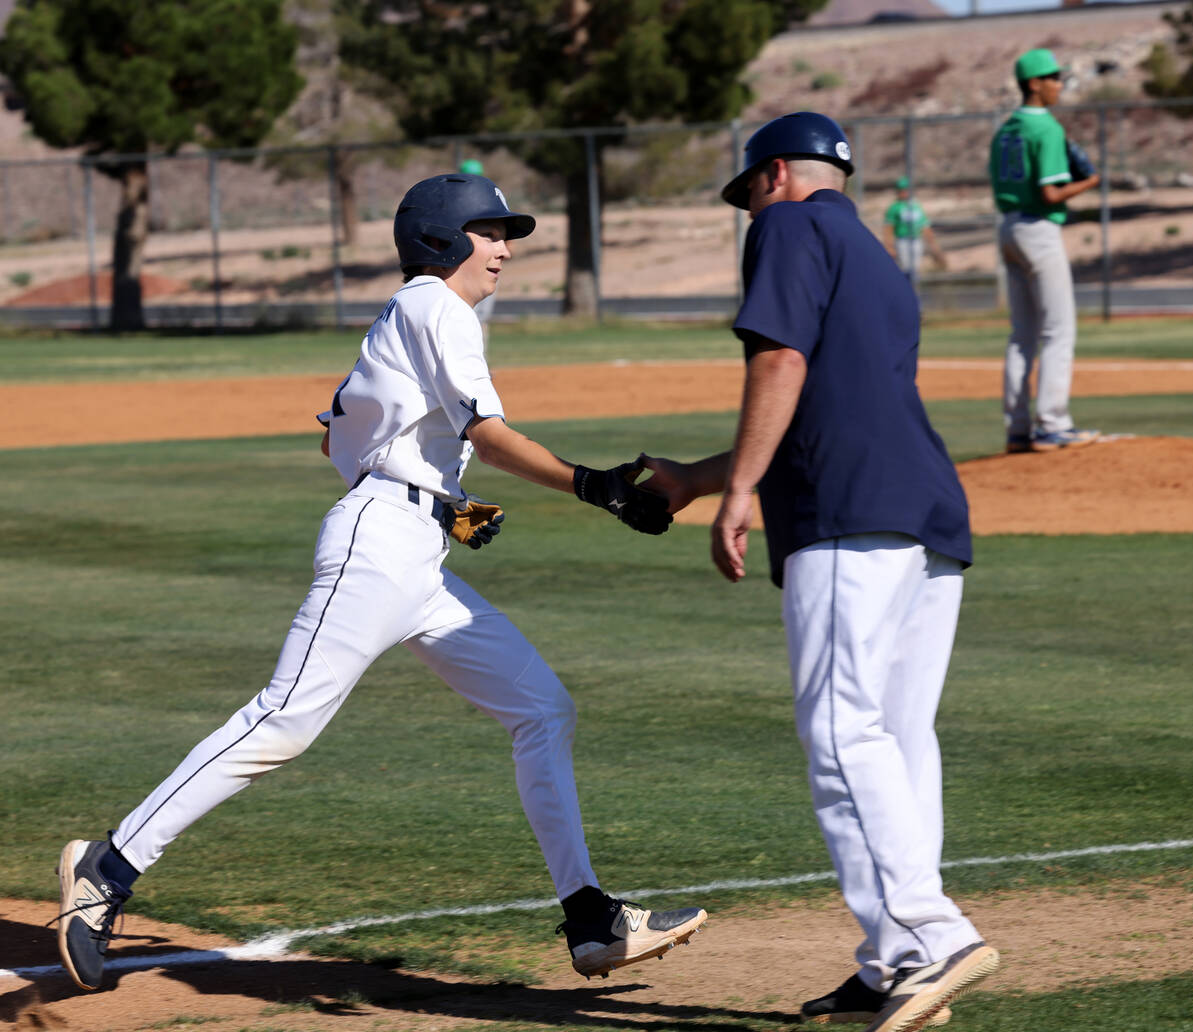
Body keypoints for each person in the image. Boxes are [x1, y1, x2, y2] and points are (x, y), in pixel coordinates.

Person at [53, 171, 707, 993]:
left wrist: (448, 505)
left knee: (542, 708)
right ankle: (107, 867)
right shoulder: (436, 305)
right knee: (284, 721)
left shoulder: (407, 322)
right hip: (377, 548)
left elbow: (349, 439)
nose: (505, 247)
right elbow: (488, 434)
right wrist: (593, 485)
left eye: (509, 232)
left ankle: (590, 919)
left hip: (414, 555)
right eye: (489, 230)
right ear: (440, 241)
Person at [640, 112, 999, 1032]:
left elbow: (782, 359)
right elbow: (827, 401)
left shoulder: (787, 225)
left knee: (840, 732)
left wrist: (740, 495)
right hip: (925, 514)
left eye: (748, 193)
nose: (748, 211)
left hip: (849, 517)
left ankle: (932, 936)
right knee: (898, 738)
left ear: (774, 178)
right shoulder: (874, 255)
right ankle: (893, 961)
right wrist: (701, 476)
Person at [990, 48, 1102, 454]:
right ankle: (1053, 424)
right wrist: (1091, 182)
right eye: (1054, 77)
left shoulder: (1005, 130)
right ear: (1033, 83)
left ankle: (1017, 429)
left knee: (1022, 335)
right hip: (1038, 229)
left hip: (1008, 227)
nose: (1059, 84)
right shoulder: (1047, 129)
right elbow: (1051, 192)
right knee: (1058, 330)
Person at [458, 158, 497, 348]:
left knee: (480, 318)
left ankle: (480, 362)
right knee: (463, 315)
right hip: (462, 267)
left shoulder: (489, 200)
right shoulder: (456, 202)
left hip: (484, 265)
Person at [882, 176, 947, 287]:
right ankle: (905, 289)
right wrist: (889, 246)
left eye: (906, 189)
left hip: (916, 239)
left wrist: (934, 246)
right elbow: (889, 228)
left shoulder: (916, 206)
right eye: (901, 190)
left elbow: (924, 226)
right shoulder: (894, 207)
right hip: (902, 240)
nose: (904, 192)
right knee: (905, 267)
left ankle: (913, 290)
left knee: (915, 269)